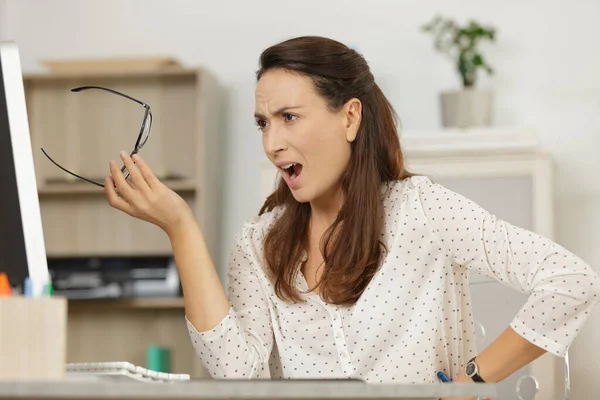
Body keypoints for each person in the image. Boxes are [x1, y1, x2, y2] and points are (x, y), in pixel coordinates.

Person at [103, 36, 599, 399]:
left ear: (350, 118)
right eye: (262, 123)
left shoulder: (420, 211)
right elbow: (238, 375)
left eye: (289, 117)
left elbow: (570, 281)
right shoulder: (260, 242)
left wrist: (471, 381)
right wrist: (180, 228)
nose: (272, 143)